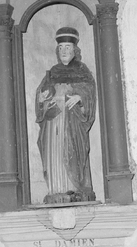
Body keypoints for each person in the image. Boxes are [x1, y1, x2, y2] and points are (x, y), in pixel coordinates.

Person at [35, 27, 96, 203]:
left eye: (67, 47)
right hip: (53, 121)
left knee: (72, 150)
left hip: (71, 121)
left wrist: (79, 97)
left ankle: (75, 188)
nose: (64, 51)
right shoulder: (53, 72)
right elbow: (42, 93)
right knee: (54, 152)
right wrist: (42, 98)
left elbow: (89, 92)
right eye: (61, 48)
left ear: (74, 50)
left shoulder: (82, 70)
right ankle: (56, 189)